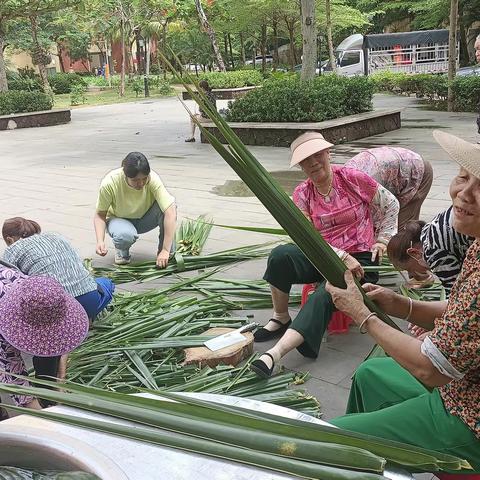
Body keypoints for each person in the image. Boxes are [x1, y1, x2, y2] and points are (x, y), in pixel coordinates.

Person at [325, 130, 480, 471]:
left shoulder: (449, 247)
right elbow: (462, 313)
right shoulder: (477, 242)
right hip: (460, 386)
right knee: (369, 373)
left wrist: (363, 315)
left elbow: (433, 368)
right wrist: (402, 304)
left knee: (329, 440)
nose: (465, 194)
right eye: (463, 177)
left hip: (469, 418)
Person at [250, 132, 399, 378]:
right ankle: (280, 317)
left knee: (328, 290)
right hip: (324, 255)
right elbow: (307, 236)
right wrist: (340, 255)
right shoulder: (302, 193)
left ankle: (274, 354)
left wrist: (383, 239)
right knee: (280, 255)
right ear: (300, 165)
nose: (313, 163)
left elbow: (390, 203)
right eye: (305, 160)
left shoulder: (352, 179)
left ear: (328, 153)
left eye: (317, 155)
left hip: (360, 259)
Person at [0, 271, 89, 411]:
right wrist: (48, 418)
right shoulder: (4, 322)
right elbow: (12, 375)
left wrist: (60, 379)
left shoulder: (39, 292)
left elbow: (63, 339)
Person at [2, 217, 115, 321]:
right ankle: (84, 318)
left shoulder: (12, 250)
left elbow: (11, 287)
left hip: (52, 310)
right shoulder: (56, 236)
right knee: (106, 283)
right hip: (89, 301)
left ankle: (70, 323)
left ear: (10, 239)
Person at [94, 152, 176, 266]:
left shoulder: (153, 179)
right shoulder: (110, 183)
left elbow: (170, 212)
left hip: (144, 218)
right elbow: (100, 214)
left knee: (168, 207)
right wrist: (100, 241)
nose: (141, 183)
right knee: (124, 235)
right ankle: (122, 251)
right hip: (119, 220)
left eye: (144, 179)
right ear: (125, 174)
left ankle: (165, 253)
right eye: (136, 180)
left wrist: (165, 250)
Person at [345, 146, 433, 230]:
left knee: (403, 230)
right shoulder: (341, 180)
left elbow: (384, 216)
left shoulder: (366, 185)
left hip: (417, 170)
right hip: (393, 166)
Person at [387, 212, 473, 294]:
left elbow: (454, 294)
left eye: (408, 269)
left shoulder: (433, 251)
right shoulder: (430, 229)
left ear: (414, 253)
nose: (410, 276)